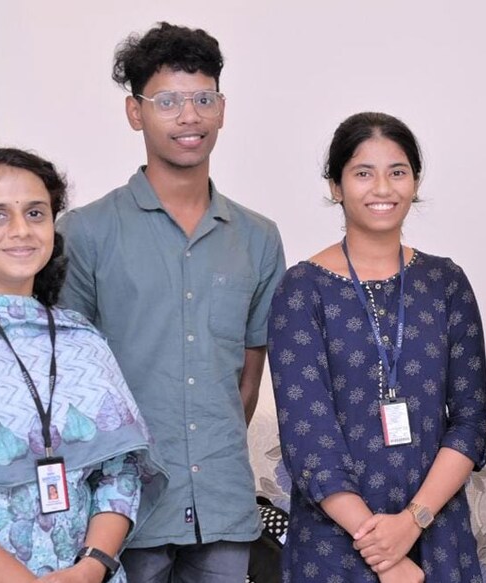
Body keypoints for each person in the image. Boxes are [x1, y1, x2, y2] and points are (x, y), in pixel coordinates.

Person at [57, 23, 285, 582]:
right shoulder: (85, 232)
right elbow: (69, 383)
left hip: (225, 507)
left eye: (203, 99)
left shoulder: (258, 236)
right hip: (122, 513)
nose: (190, 117)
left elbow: (249, 378)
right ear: (136, 112)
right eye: (168, 102)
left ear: (222, 109)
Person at [268, 112, 486, 582]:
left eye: (397, 172)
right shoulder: (302, 290)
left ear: (415, 181)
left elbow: (470, 421)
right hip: (333, 548)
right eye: (363, 173)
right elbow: (308, 439)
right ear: (335, 185)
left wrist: (412, 523)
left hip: (437, 537)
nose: (382, 188)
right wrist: (383, 552)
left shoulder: (446, 283)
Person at [0, 148, 165, 582]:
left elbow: (120, 470)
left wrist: (93, 566)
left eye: (35, 213)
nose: (21, 230)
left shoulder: (81, 338)